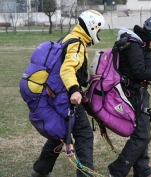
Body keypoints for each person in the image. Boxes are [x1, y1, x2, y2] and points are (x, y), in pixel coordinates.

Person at [30, 10, 105, 177]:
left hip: (55, 95)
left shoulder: (67, 39)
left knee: (61, 131)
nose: (98, 34)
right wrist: (74, 90)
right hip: (66, 98)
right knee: (84, 134)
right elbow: (67, 69)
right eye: (98, 30)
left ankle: (40, 170)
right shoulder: (77, 43)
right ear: (93, 27)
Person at [108, 16, 151, 177]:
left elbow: (144, 69)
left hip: (137, 92)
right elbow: (139, 71)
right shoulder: (133, 45)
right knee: (142, 135)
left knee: (143, 133)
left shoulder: (140, 44)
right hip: (132, 95)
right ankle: (117, 171)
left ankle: (143, 171)